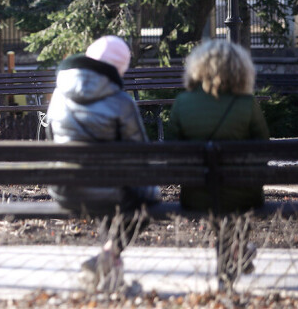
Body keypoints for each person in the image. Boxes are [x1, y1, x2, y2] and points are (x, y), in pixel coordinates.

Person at [46, 35, 160, 291]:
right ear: (119, 69)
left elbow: (51, 142)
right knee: (143, 198)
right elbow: (139, 154)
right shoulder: (122, 102)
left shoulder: (58, 94)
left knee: (118, 192)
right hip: (111, 192)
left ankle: (108, 271)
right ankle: (108, 257)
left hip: (65, 190)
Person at [168, 38, 269, 286]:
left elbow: (172, 154)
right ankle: (237, 251)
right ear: (240, 69)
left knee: (216, 196)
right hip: (243, 195)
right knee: (236, 198)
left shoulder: (182, 103)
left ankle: (234, 256)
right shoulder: (247, 104)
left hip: (196, 195)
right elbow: (263, 150)